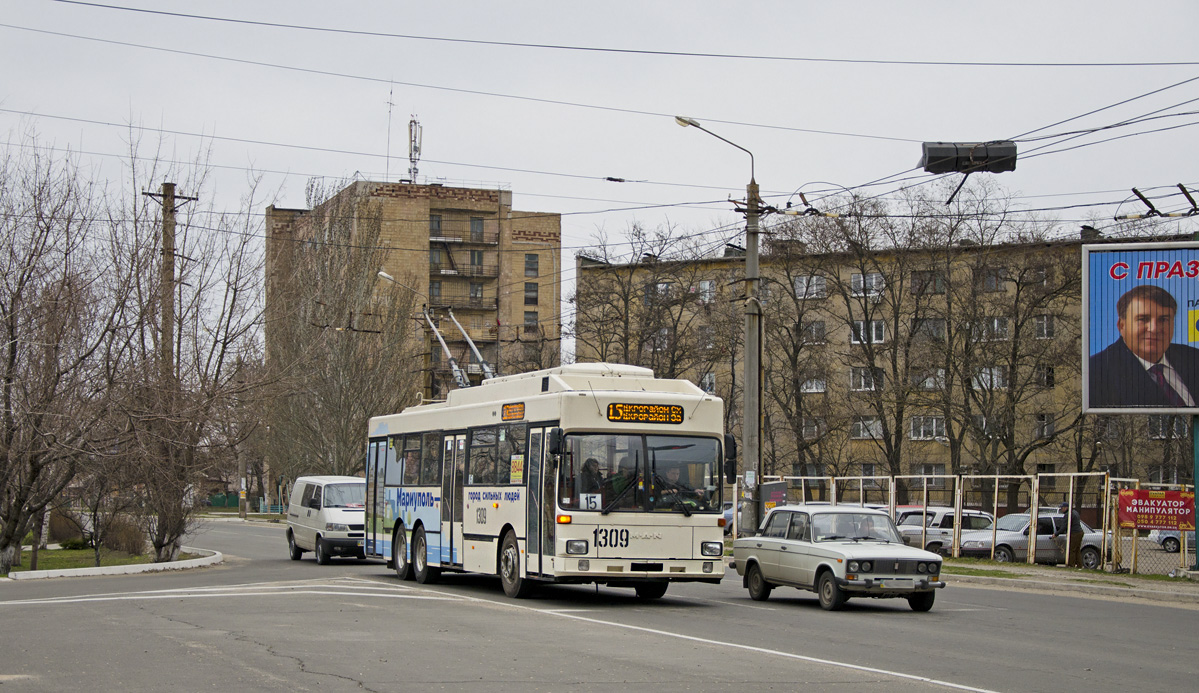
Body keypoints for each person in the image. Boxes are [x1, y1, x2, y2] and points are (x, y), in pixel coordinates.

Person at [1089, 285, 1199, 407]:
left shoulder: (1194, 357)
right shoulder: (1095, 372)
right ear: (1122, 325)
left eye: (1163, 320)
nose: (1154, 329)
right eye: (1143, 319)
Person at [1053, 501, 1084, 568]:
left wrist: (1056, 534)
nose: (1061, 509)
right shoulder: (1075, 512)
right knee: (1077, 550)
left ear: (1066, 508)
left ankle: (1071, 565)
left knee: (1071, 550)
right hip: (1080, 532)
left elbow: (1063, 527)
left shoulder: (1068, 515)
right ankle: (1079, 565)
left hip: (1074, 533)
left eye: (1062, 508)